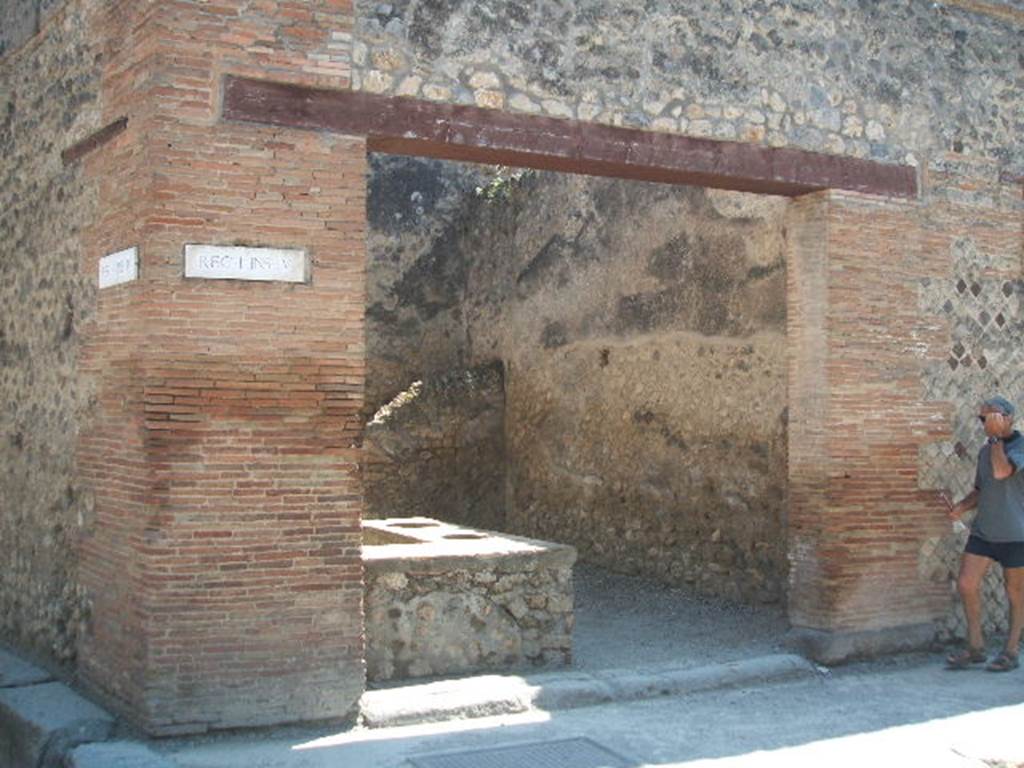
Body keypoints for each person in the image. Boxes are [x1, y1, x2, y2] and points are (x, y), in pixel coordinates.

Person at [944, 396, 1024, 672]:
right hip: (984, 531)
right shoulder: (984, 451)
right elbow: (981, 489)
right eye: (983, 419)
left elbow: (1003, 472)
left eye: (992, 417)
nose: (986, 423)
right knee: (966, 584)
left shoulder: (1019, 447)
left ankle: (1011, 651)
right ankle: (976, 647)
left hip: (1016, 533)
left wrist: (994, 439)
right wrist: (961, 507)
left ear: (1009, 418)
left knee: (1015, 593)